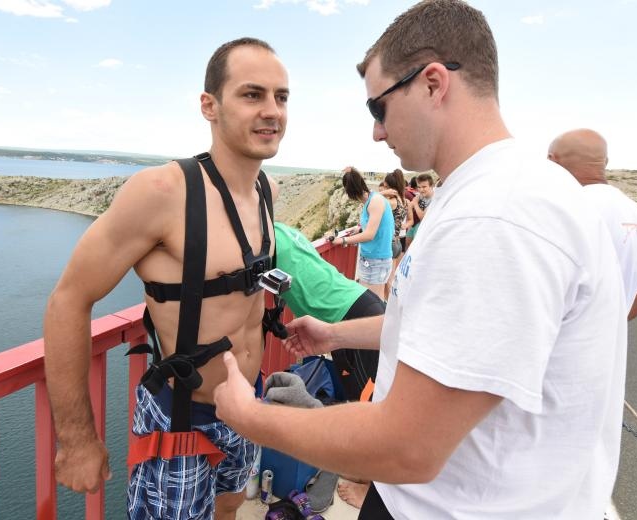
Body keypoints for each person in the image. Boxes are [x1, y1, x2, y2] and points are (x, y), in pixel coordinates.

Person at [213, 2, 626, 520]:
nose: (376, 132)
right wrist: (336, 335)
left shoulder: (494, 217)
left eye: (378, 107)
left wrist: (249, 417)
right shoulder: (491, 192)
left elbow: (408, 446)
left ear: (433, 84)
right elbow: (436, 327)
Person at [43, 37, 288, 520]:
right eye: (252, 94)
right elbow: (67, 300)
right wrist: (76, 440)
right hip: (182, 418)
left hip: (247, 403)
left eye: (281, 97)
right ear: (209, 106)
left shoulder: (267, 190)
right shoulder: (162, 192)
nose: (272, 111)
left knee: (230, 506)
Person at [548, 128, 637, 320]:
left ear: (552, 161)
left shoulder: (563, 207)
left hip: (559, 338)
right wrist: (609, 330)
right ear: (605, 162)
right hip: (611, 340)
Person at [274, 221, 383, 401]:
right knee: (362, 395)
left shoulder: (261, 239)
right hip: (358, 301)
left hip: (347, 315)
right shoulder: (281, 230)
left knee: (366, 400)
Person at [335, 166, 395, 299]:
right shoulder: (371, 200)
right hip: (371, 260)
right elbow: (375, 226)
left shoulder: (375, 201)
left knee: (374, 303)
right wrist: (360, 229)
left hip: (376, 260)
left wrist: (343, 240)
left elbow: (369, 235)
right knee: (372, 302)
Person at [378, 172, 409, 299]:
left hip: (388, 244)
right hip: (397, 243)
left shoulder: (391, 202)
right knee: (390, 278)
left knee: (385, 281)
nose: (384, 189)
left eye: (386, 187)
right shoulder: (404, 200)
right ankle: (389, 304)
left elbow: (371, 200)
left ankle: (391, 305)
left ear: (391, 187)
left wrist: (382, 193)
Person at [405, 172, 434, 244]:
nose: (421, 190)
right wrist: (410, 220)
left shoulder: (434, 199)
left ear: (431, 186)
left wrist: (415, 204)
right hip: (415, 224)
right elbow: (409, 206)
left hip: (425, 227)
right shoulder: (420, 195)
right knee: (407, 244)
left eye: (424, 187)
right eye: (419, 187)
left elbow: (423, 217)